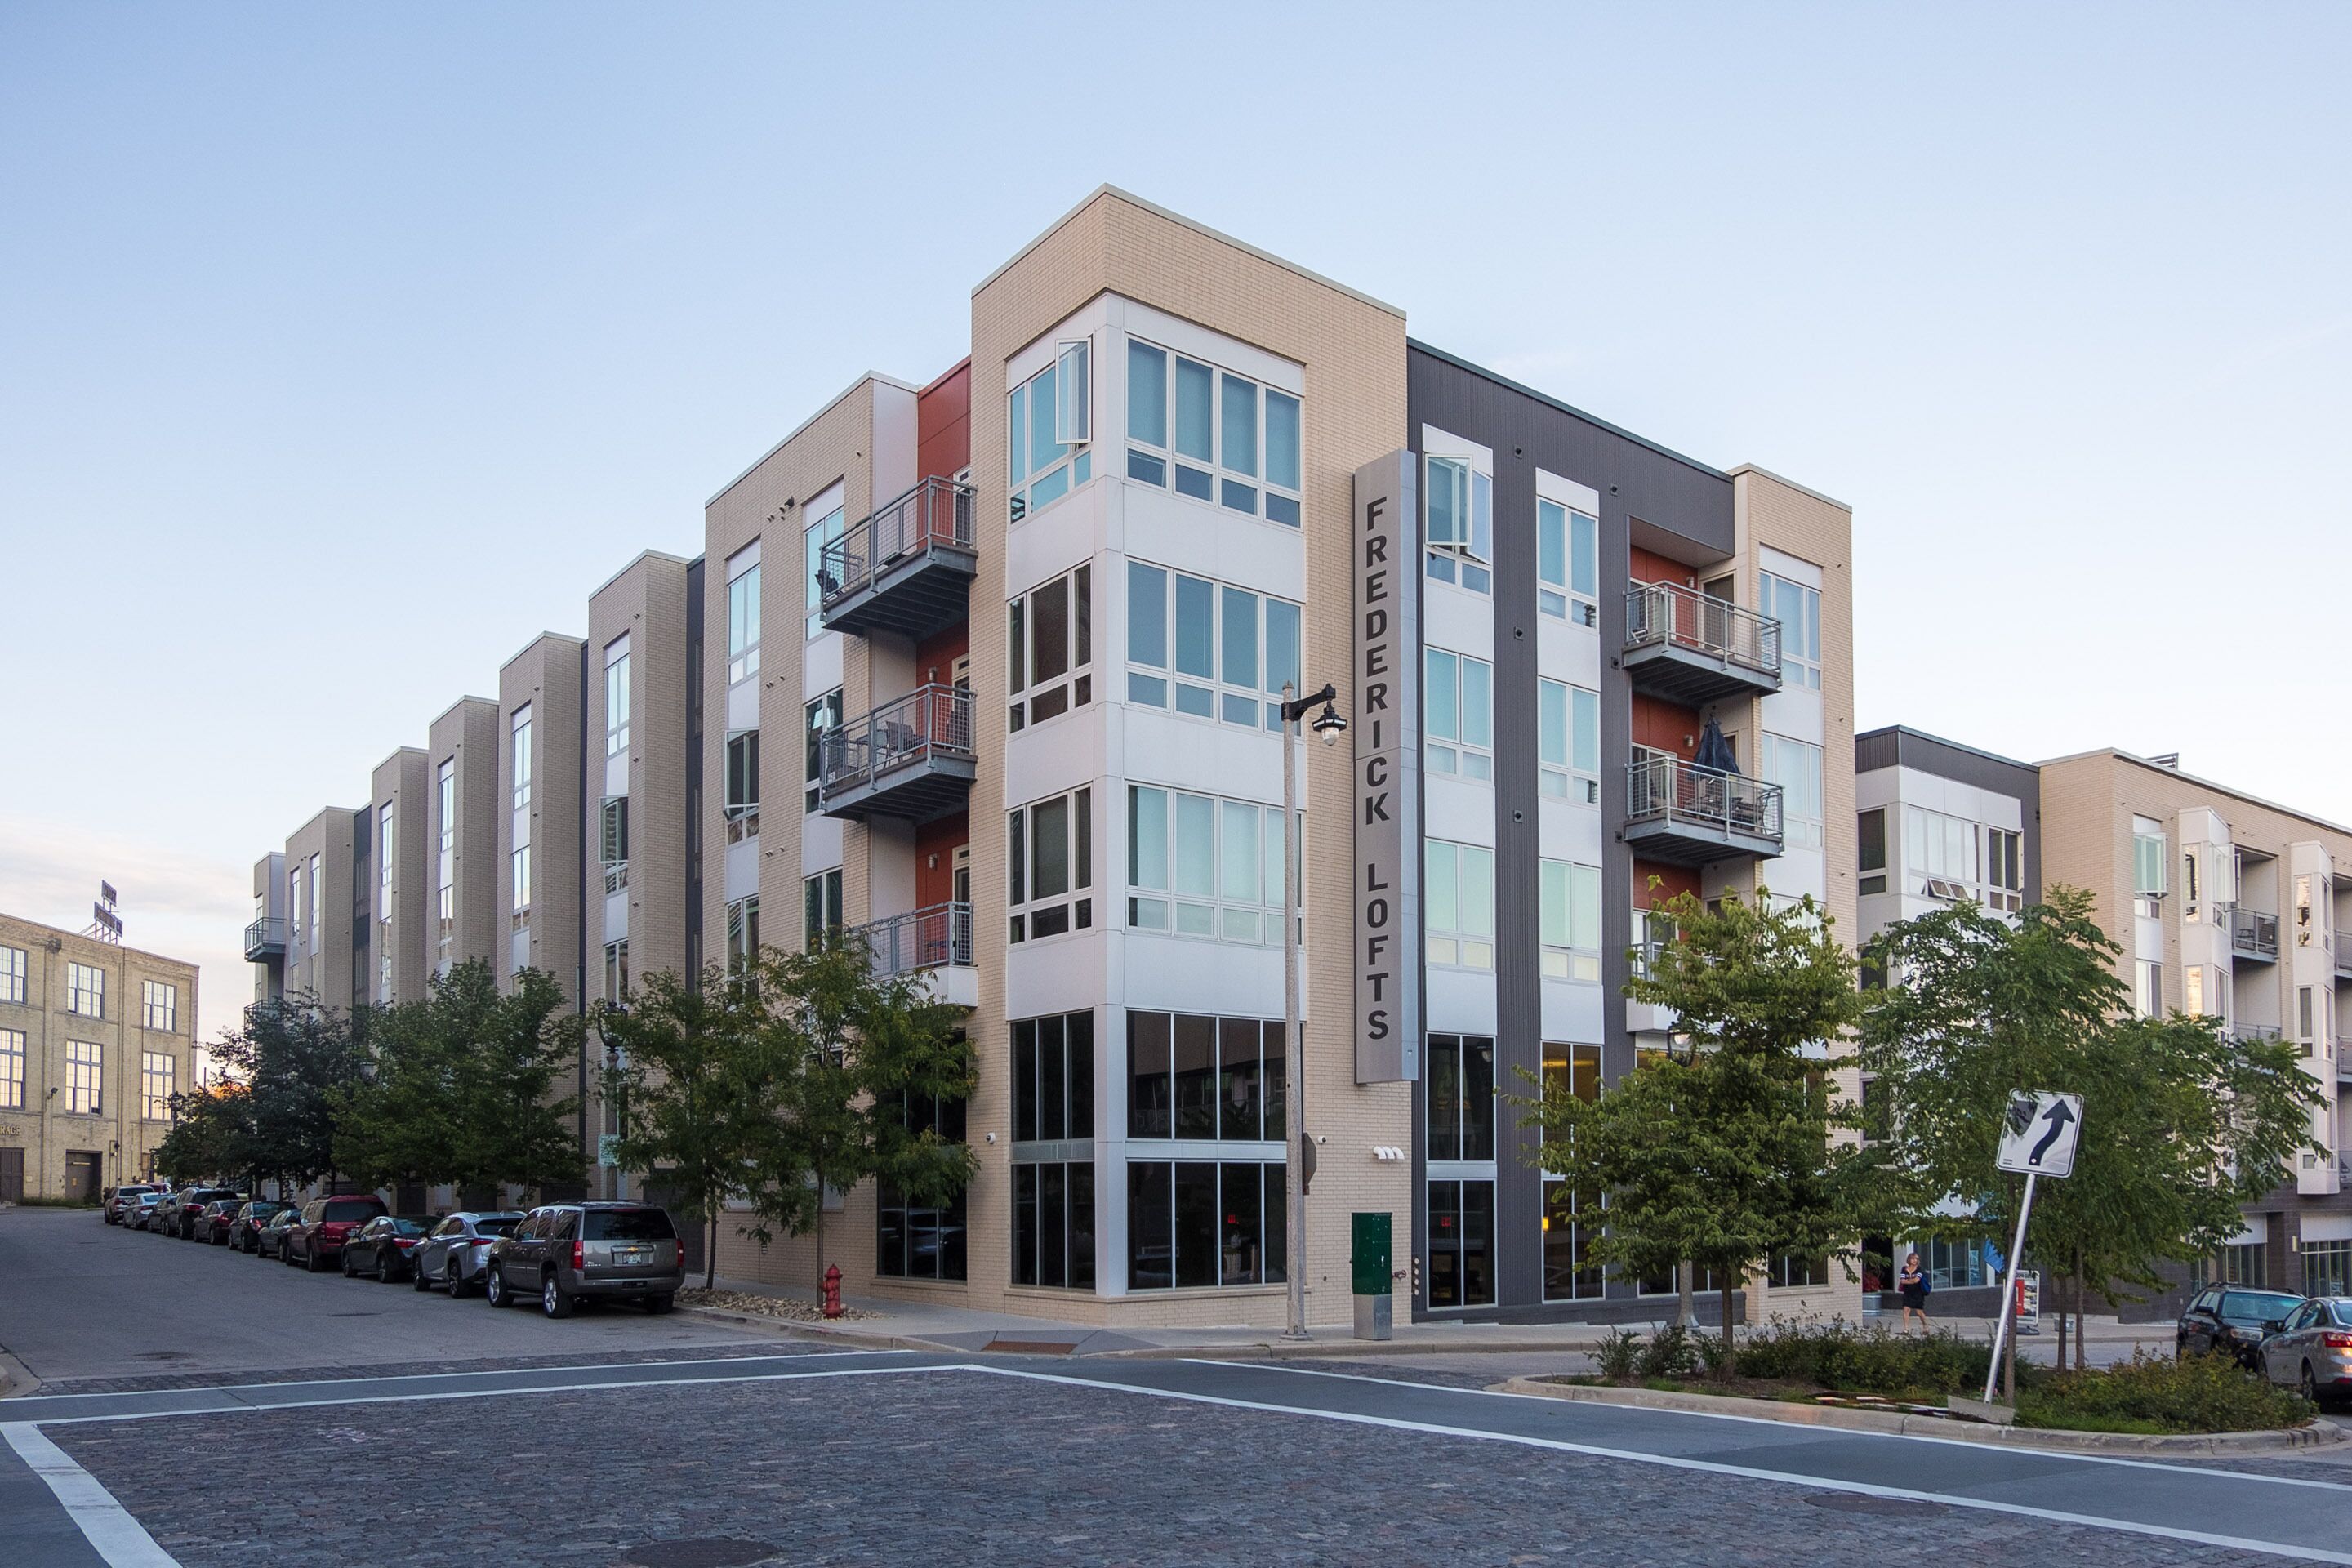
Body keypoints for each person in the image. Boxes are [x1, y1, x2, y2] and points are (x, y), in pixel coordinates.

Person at [1897, 1251, 1932, 1332]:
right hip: (1908, 1292)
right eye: (1913, 1259)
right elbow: (1902, 1281)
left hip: (1918, 1293)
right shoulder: (1904, 1269)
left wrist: (1908, 1280)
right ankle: (1906, 1329)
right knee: (1906, 1309)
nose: (1915, 1260)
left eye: (1916, 1259)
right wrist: (1911, 1280)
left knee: (1919, 1312)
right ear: (1909, 1260)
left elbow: (1916, 1280)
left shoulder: (1920, 1269)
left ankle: (1925, 1325)